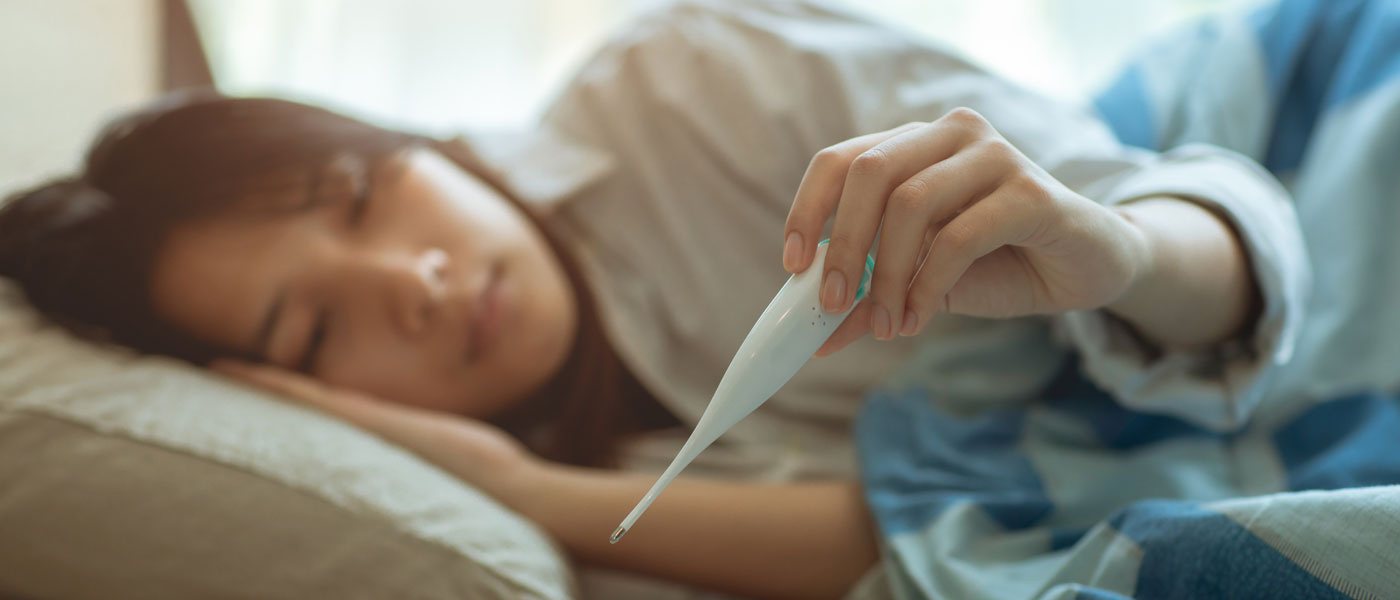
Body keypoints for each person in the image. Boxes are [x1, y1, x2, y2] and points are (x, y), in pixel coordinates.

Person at [0, 1, 1304, 598]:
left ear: (403, 135)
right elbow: (887, 549)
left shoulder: (693, 84)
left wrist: (1114, 249)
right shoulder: (523, 494)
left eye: (357, 197)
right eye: (314, 330)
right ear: (289, 398)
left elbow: (1207, 225)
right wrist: (522, 495)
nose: (414, 280)